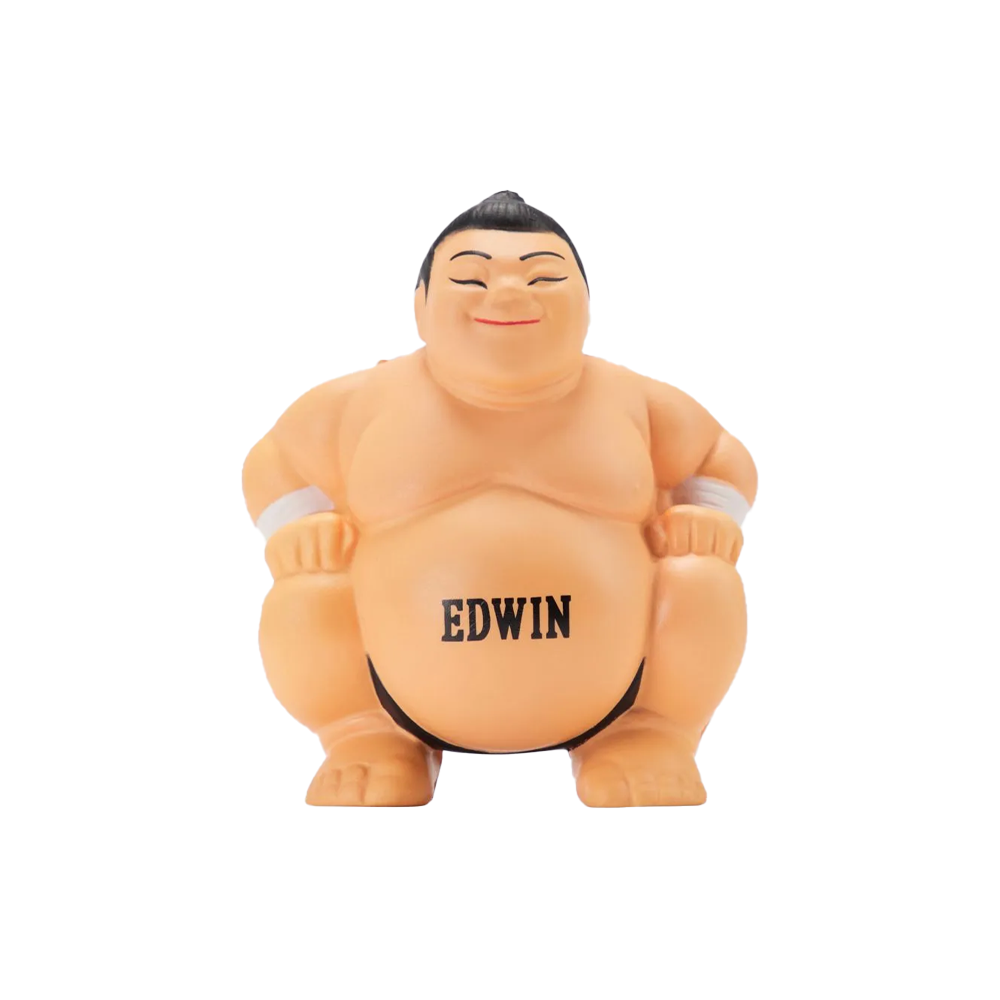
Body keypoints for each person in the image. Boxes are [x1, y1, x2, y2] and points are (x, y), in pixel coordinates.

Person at [242, 191, 757, 807]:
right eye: (470, 278)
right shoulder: (365, 401)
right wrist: (297, 528)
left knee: (702, 577)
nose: (509, 294)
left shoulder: (632, 399)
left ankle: (652, 736)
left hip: (622, 695)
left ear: (586, 304)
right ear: (421, 305)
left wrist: (708, 518)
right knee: (306, 593)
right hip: (389, 696)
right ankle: (363, 738)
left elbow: (720, 455)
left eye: (544, 277)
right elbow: (273, 460)